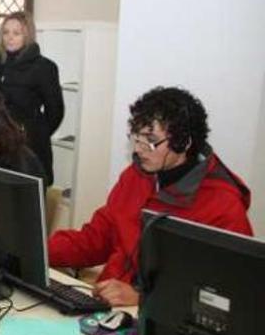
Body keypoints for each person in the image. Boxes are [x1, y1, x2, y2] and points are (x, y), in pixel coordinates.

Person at [48, 87, 253, 306]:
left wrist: (143, 298)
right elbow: (97, 239)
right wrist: (37, 250)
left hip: (162, 321)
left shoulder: (222, 206)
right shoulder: (135, 177)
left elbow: (228, 296)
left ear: (184, 143)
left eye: (150, 140)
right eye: (135, 137)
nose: (138, 149)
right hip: (107, 307)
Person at [0, 11, 63, 187]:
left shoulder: (44, 67)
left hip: (30, 144)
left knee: (29, 201)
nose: (9, 38)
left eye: (16, 33)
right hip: (0, 141)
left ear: (27, 35)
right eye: (5, 32)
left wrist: (35, 131)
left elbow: (56, 111)